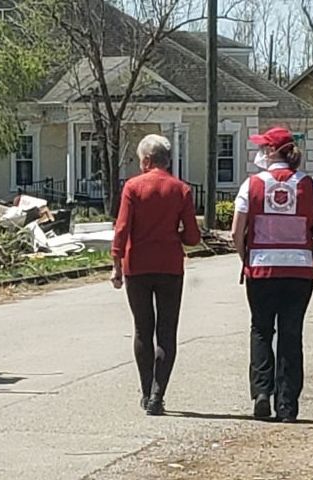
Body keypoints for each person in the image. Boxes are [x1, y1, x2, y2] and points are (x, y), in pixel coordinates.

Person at [231, 127, 313, 423]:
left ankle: (262, 392)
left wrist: (246, 257)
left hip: (261, 268)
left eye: (263, 148)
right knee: (291, 334)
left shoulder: (251, 185)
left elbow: (237, 231)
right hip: (299, 271)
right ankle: (287, 406)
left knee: (262, 330)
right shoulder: (311, 186)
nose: (260, 153)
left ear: (273, 152)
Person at [110, 134, 201, 416]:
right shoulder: (181, 189)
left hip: (137, 265)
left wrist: (116, 264)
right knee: (166, 331)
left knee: (142, 329)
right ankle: (158, 395)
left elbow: (122, 228)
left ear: (147, 160)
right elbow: (193, 237)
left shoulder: (133, 187)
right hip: (170, 266)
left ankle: (146, 388)